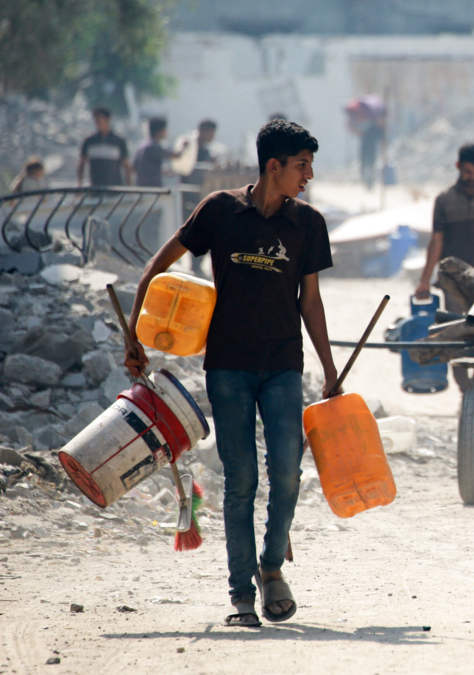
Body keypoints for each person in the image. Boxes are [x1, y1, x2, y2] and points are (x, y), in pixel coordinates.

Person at [123, 120, 338, 628]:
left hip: (284, 366)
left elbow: (311, 299)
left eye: (310, 165)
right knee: (241, 479)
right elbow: (159, 266)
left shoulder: (307, 223)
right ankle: (242, 592)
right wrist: (134, 332)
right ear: (273, 166)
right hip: (228, 367)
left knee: (286, 471)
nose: (308, 175)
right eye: (302, 165)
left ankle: (271, 567)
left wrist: (329, 368)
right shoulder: (220, 210)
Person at [416, 142, 474, 390]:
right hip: (453, 283)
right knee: (456, 337)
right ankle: (466, 391)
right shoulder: (444, 200)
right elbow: (436, 242)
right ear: (458, 167)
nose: (472, 178)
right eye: (468, 172)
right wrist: (424, 281)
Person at [78, 107, 131, 187]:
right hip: (96, 189)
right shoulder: (89, 142)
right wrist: (79, 183)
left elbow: (126, 166)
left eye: (99, 120)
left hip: (115, 189)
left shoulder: (119, 142)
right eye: (95, 120)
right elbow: (82, 164)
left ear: (108, 120)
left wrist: (129, 186)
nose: (97, 123)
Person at [133, 117, 185, 187]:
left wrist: (159, 171)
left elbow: (134, 167)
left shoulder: (141, 145)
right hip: (152, 187)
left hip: (140, 186)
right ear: (160, 131)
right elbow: (176, 155)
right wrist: (183, 146)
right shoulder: (154, 146)